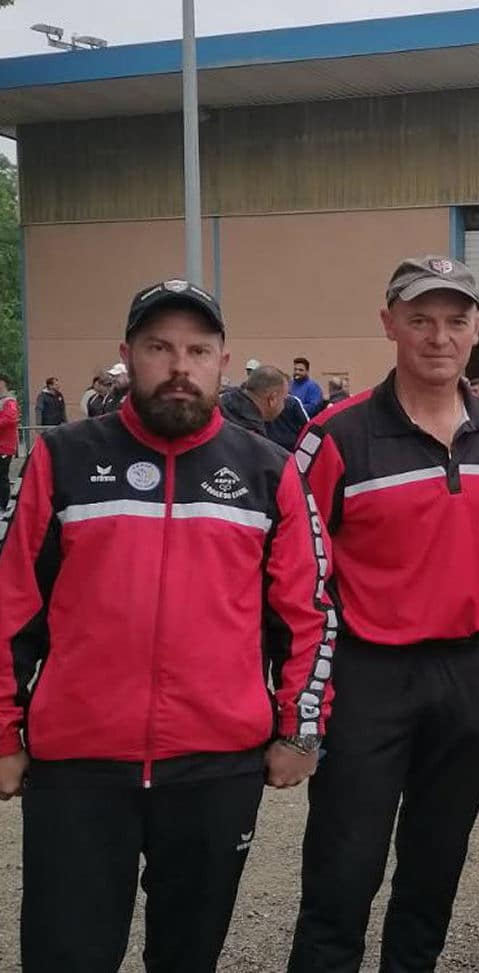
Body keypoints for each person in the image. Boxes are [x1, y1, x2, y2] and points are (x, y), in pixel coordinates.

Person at [0, 278, 334, 972]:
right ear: (128, 356)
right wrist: (3, 732)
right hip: (80, 767)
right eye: (159, 347)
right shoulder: (62, 456)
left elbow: (307, 612)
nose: (180, 366)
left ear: (222, 361)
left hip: (215, 766)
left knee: (188, 957)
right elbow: (10, 602)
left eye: (198, 350)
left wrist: (299, 729)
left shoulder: (266, 469)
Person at [288, 255, 479, 973]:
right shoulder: (335, 435)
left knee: (434, 865)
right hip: (369, 677)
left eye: (455, 320)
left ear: (478, 328)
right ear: (389, 324)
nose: (438, 336)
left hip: (469, 672)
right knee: (344, 869)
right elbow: (297, 568)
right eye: (420, 319)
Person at [220, 365, 291, 434]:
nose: (283, 406)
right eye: (283, 399)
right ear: (272, 398)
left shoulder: (221, 404)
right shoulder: (252, 434)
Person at [0, 374, 17, 510]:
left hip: (4, 446)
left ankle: (4, 504)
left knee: (2, 476)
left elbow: (10, 419)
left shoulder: (9, 401)